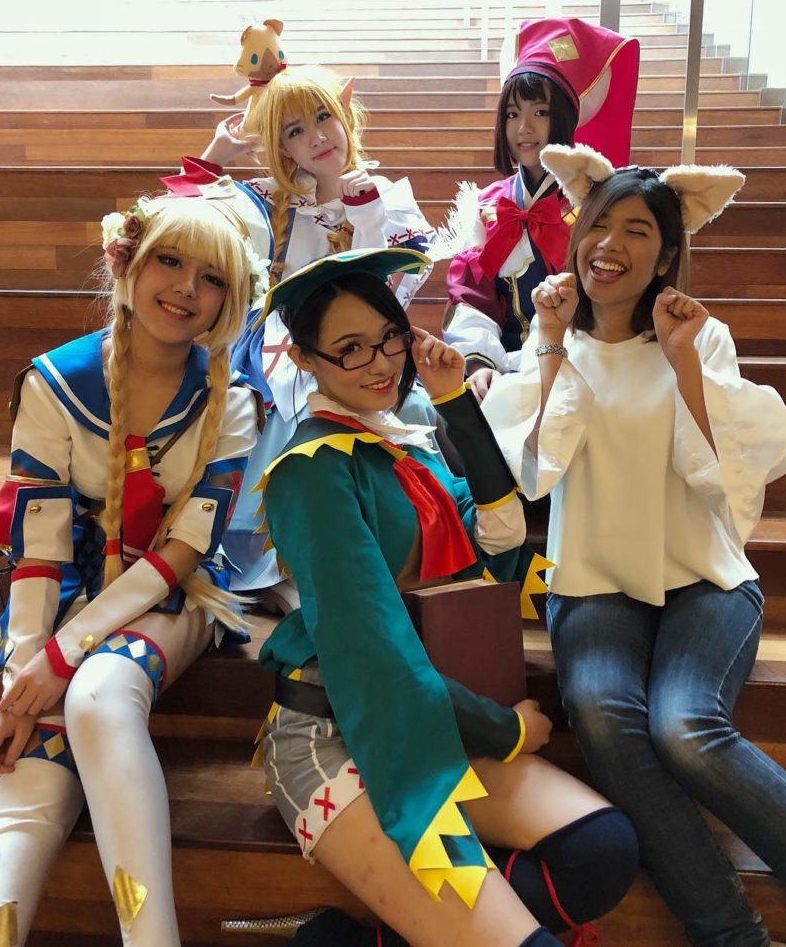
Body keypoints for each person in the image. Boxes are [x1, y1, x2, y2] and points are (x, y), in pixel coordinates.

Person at [240, 248, 639, 947]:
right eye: (349, 349)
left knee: (598, 851)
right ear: (305, 360)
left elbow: (500, 535)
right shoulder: (310, 471)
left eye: (389, 335)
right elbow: (371, 655)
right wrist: (503, 730)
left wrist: (454, 400)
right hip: (332, 736)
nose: (379, 362)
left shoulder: (404, 438)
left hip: (420, 717)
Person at [483, 143, 786, 946]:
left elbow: (723, 472)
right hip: (593, 585)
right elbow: (533, 469)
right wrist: (549, 338)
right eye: (598, 225)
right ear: (577, 233)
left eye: (635, 230)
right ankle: (729, 932)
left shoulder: (699, 335)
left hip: (703, 581)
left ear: (665, 253)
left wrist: (683, 356)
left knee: (685, 728)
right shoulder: (556, 339)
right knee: (599, 712)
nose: (610, 244)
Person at [0, 183, 273, 946]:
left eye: (211, 278)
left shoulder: (232, 399)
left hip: (173, 599)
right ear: (127, 261)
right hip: (63, 604)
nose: (185, 288)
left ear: (228, 301)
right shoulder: (51, 381)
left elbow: (182, 554)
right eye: (169, 261)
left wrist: (60, 657)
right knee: (28, 783)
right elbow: (37, 547)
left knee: (100, 694)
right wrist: (21, 681)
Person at [175, 63, 440, 604]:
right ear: (281, 147)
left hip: (366, 355)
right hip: (277, 350)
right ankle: (278, 568)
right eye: (295, 130)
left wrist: (367, 218)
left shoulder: (389, 196)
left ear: (345, 115)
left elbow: (387, 298)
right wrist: (217, 153)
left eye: (324, 117)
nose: (317, 137)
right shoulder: (269, 199)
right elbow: (183, 229)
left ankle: (378, 560)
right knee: (261, 404)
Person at [441, 18, 639, 400]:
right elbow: (472, 294)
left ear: (565, 117)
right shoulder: (488, 204)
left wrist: (534, 369)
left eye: (541, 112)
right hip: (497, 369)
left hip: (577, 366)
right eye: (513, 114)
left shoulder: (596, 205)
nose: (524, 128)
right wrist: (481, 364)